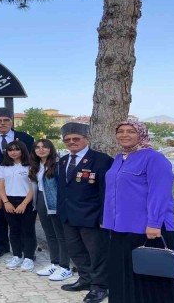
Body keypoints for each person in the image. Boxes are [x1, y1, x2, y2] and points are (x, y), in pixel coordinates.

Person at [103, 120, 174, 303]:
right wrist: (107, 219)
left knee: (153, 274)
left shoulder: (154, 158)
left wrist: (154, 224)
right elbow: (113, 192)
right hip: (120, 228)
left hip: (147, 228)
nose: (124, 135)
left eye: (130, 131)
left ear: (141, 134)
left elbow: (160, 192)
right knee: (125, 272)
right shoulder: (119, 158)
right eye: (120, 131)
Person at [57, 122, 114, 303]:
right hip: (69, 216)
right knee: (76, 251)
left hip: (92, 217)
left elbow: (106, 191)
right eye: (68, 140)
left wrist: (105, 217)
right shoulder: (63, 161)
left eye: (76, 138)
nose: (72, 142)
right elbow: (63, 190)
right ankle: (85, 279)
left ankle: (100, 286)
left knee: (97, 254)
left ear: (86, 139)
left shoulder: (101, 160)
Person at [0, 107, 34, 257]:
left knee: (23, 222)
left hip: (22, 182)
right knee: (0, 217)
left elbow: (32, 158)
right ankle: (2, 246)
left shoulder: (25, 138)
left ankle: (26, 249)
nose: (2, 123)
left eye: (6, 120)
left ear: (11, 122)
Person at [29, 139, 73, 281]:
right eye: (38, 147)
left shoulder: (59, 164)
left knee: (60, 235)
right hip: (41, 199)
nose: (41, 150)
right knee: (50, 234)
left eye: (44, 147)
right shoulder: (36, 165)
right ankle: (54, 263)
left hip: (54, 202)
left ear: (51, 149)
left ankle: (65, 267)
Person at [0, 140, 37, 272]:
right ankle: (17, 255)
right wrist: (6, 202)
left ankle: (29, 257)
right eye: (10, 150)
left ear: (22, 150)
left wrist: (24, 204)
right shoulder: (3, 166)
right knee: (14, 230)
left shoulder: (30, 166)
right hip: (9, 201)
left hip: (27, 201)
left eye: (16, 149)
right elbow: (0, 186)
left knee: (28, 230)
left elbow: (32, 188)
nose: (13, 152)